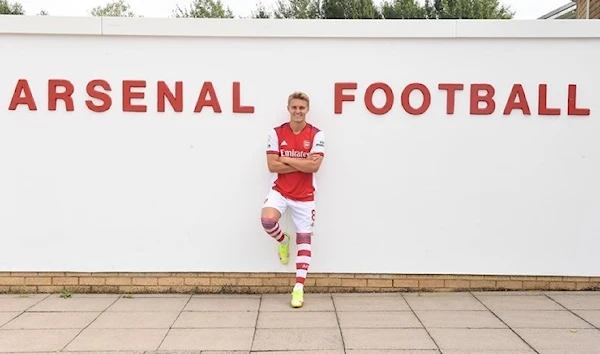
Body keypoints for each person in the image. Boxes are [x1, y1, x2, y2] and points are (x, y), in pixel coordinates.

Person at [260, 91, 325, 308]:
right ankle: (284, 241)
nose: (298, 111)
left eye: (302, 108)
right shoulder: (277, 133)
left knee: (305, 240)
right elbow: (272, 165)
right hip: (280, 191)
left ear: (307, 110)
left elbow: (314, 166)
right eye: (294, 107)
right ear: (289, 109)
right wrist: (301, 162)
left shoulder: (316, 135)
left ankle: (298, 288)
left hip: (305, 196)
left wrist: (285, 158)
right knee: (268, 221)